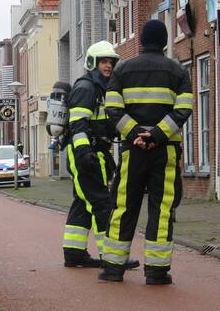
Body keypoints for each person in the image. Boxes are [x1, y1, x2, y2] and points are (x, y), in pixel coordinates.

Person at [100, 19, 192, 285]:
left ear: (140, 40)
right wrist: (156, 135)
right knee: (161, 208)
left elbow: (113, 109)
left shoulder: (123, 70)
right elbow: (184, 109)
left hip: (133, 152)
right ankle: (156, 271)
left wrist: (135, 134)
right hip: (165, 151)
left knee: (123, 206)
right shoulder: (178, 72)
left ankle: (113, 268)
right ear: (165, 42)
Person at [62, 41, 139, 269]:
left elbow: (104, 123)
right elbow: (78, 124)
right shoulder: (87, 88)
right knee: (102, 204)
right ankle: (112, 257)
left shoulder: (102, 89)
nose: (108, 66)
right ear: (92, 63)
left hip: (96, 153)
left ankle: (74, 253)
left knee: (82, 203)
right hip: (86, 155)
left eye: (111, 62)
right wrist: (85, 153)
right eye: (103, 61)